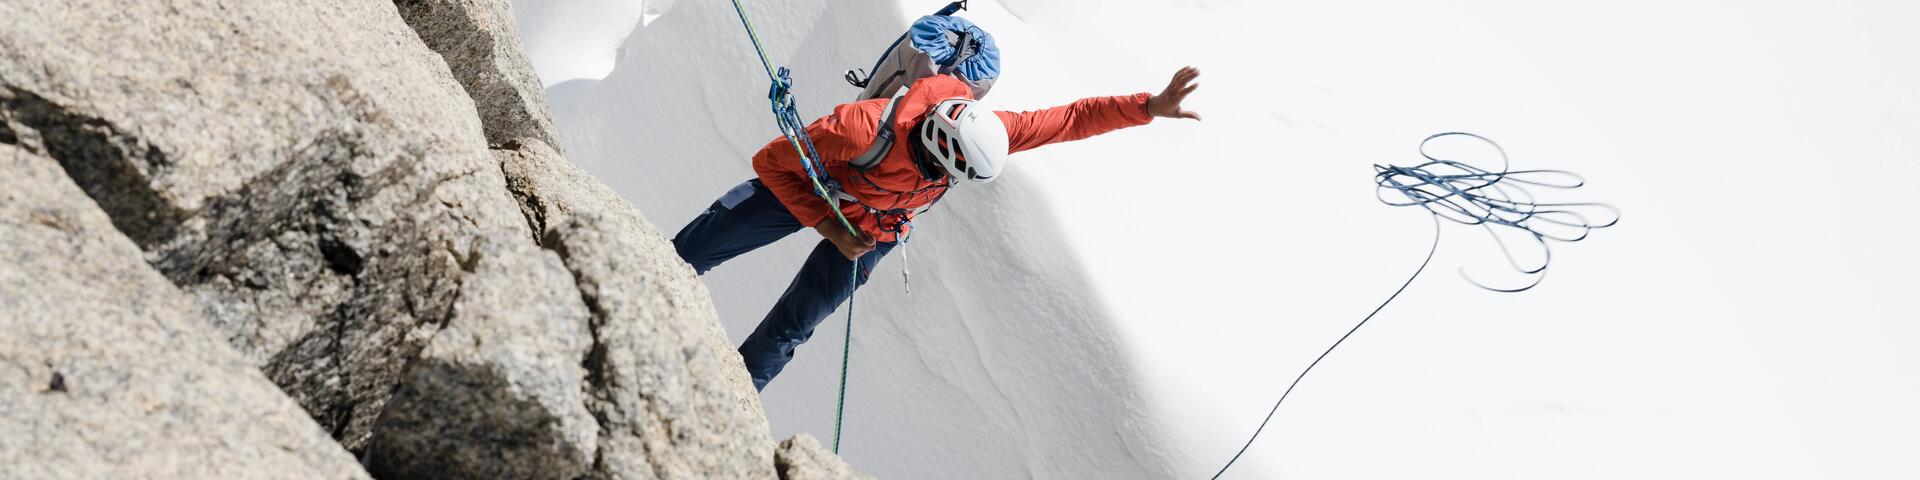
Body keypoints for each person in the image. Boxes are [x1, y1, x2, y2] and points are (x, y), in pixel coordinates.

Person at [673, 67, 1204, 390]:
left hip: (876, 228)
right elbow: (771, 162)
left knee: (794, 326)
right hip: (817, 191)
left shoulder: (985, 130)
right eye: (948, 173)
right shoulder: (859, 130)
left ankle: (726, 396)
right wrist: (828, 228)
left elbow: (1066, 119)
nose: (949, 182)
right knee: (695, 251)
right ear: (939, 148)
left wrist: (1148, 108)